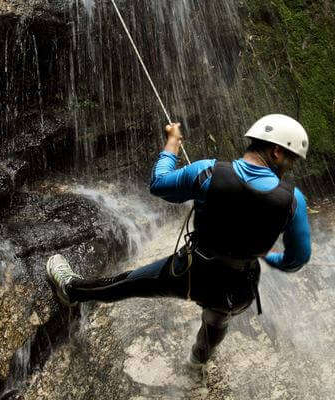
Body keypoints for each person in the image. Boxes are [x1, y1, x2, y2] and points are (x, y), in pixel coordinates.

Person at [46, 114, 312, 366]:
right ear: (276, 152)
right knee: (216, 320)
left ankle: (72, 290)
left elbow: (159, 183)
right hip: (237, 287)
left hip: (191, 272)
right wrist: (270, 257)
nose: (290, 166)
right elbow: (296, 260)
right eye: (291, 159)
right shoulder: (294, 200)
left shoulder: (207, 172)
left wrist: (172, 143)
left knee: (126, 284)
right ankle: (199, 359)